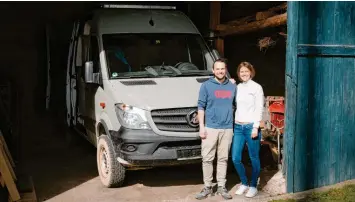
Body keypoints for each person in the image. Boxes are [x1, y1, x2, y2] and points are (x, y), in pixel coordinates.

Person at [195, 58, 236, 200]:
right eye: (217, 69)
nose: (220, 71)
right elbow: (201, 107)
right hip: (210, 128)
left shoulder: (232, 86)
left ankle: (221, 186)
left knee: (223, 159)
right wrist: (201, 127)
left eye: (222, 68)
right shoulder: (206, 86)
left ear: (226, 70)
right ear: (213, 71)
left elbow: (237, 104)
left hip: (227, 128)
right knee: (207, 158)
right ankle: (207, 187)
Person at [231, 61, 264, 198]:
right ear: (239, 74)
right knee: (235, 158)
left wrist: (256, 126)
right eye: (241, 71)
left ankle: (253, 185)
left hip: (251, 127)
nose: (244, 73)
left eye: (246, 71)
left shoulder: (256, 87)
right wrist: (229, 84)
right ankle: (244, 182)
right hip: (238, 126)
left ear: (251, 72)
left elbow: (259, 108)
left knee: (253, 157)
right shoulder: (237, 87)